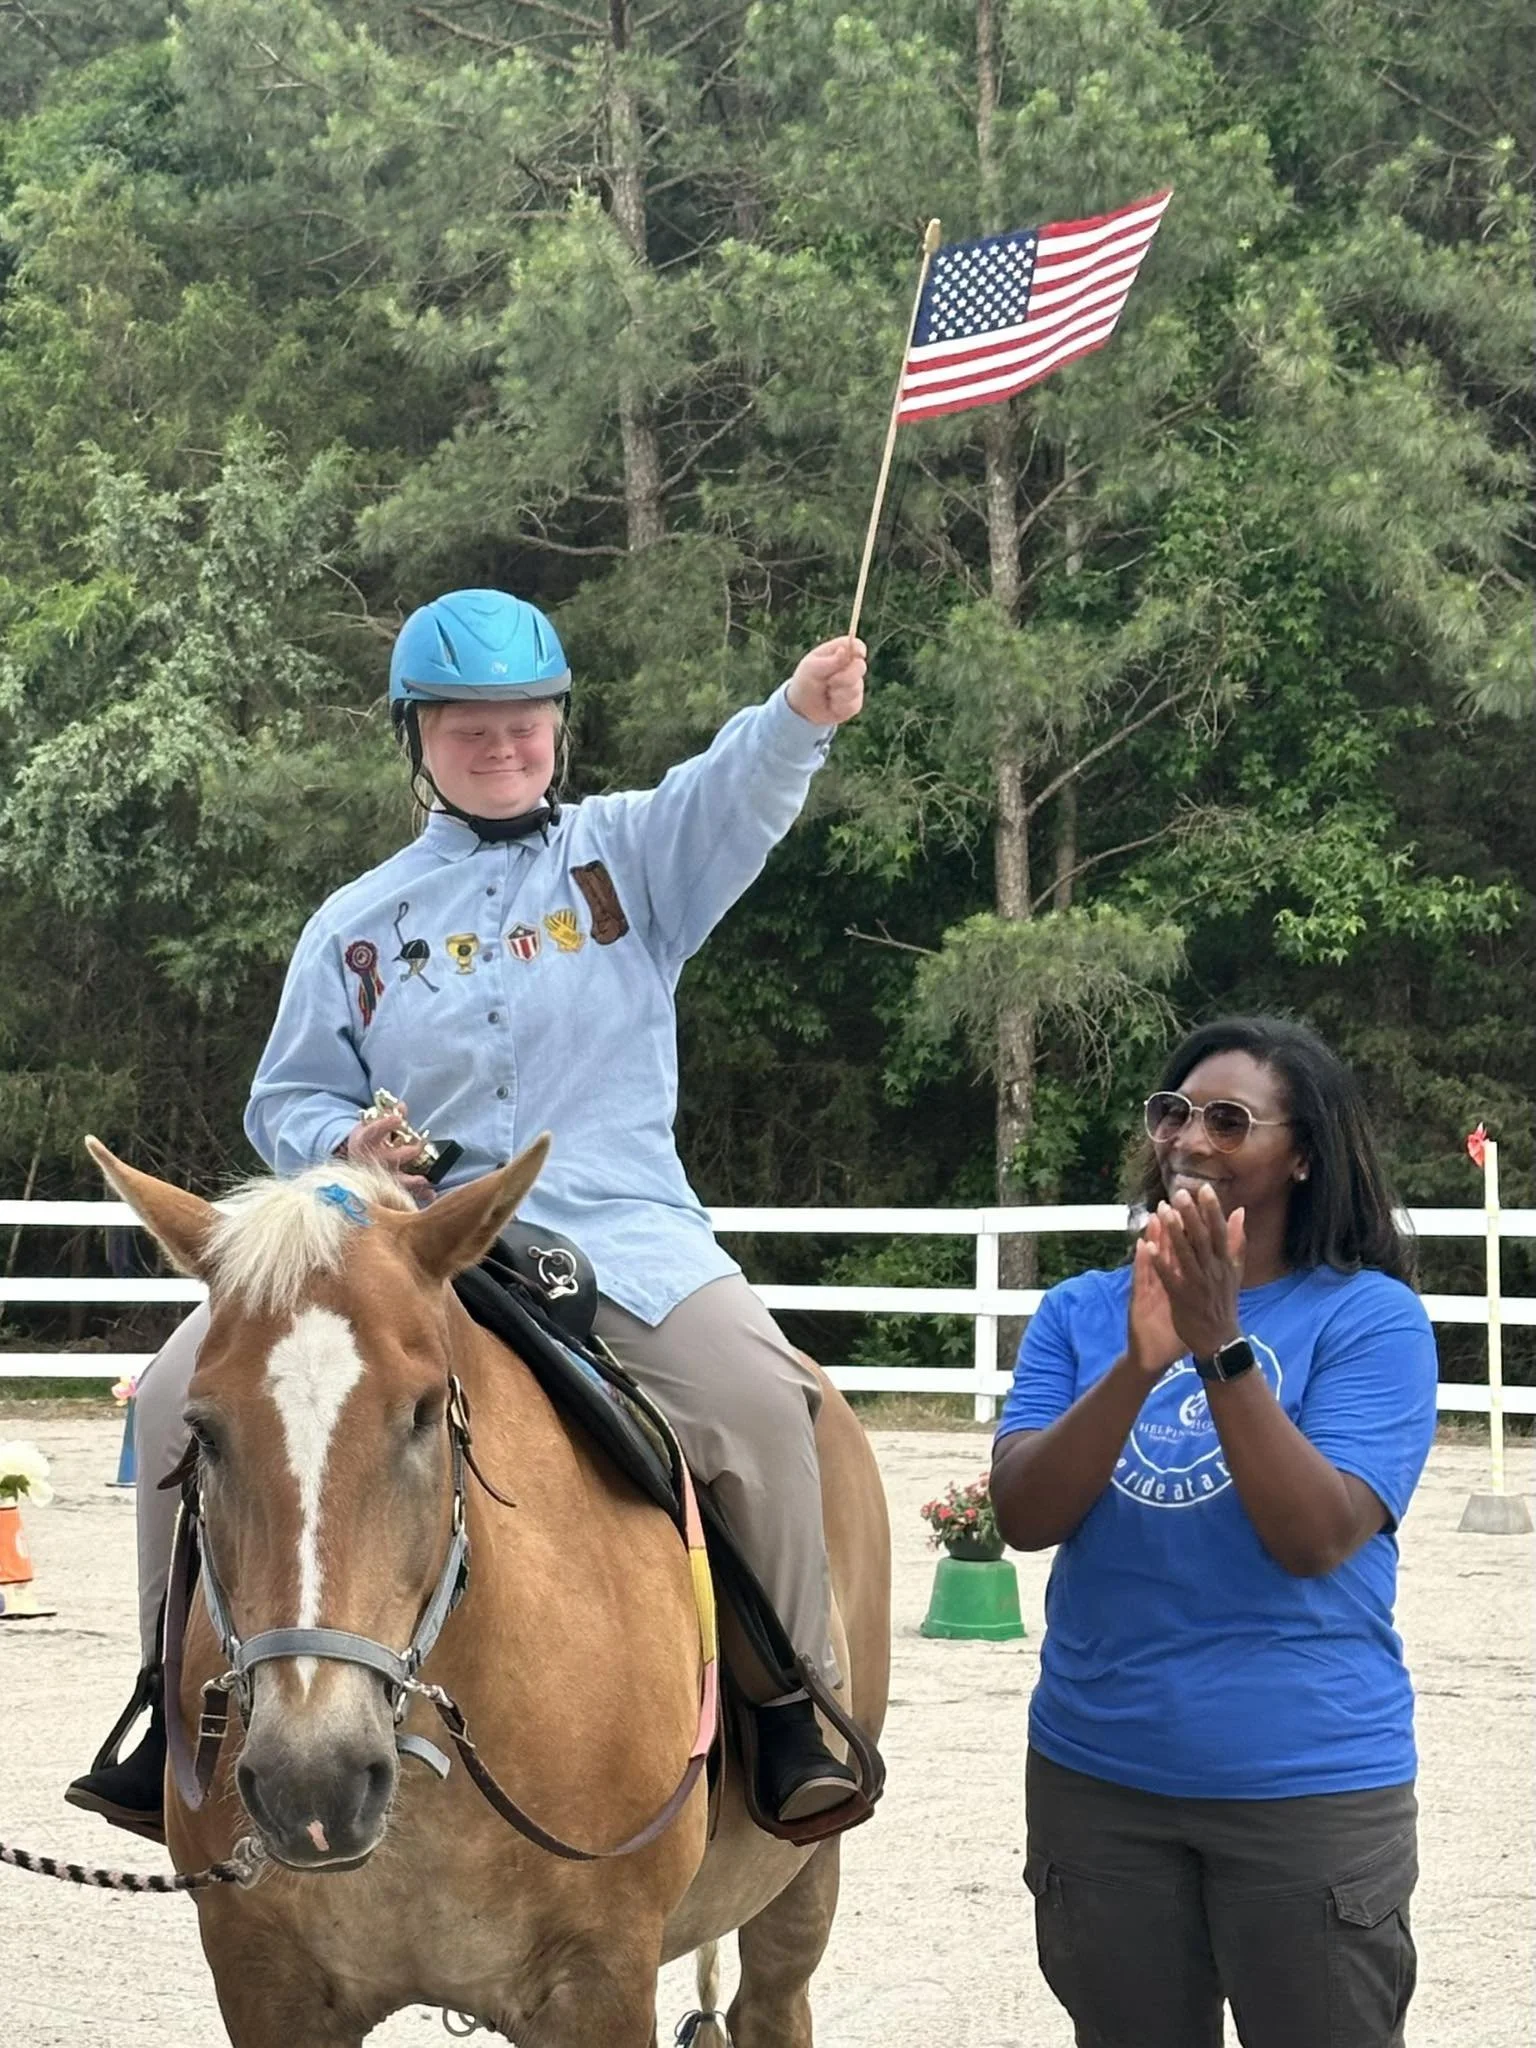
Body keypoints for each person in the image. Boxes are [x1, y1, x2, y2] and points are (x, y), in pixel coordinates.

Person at [68, 587, 870, 1840]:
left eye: (523, 720)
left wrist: (799, 715)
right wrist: (348, 1142)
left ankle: (792, 1706)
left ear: (558, 722)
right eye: (466, 726)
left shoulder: (635, 856)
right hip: (405, 1242)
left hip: (620, 1227)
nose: (500, 745)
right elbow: (287, 1094)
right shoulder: (355, 922)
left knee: (764, 1400)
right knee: (181, 1394)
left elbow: (734, 792)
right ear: (418, 740)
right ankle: (177, 1710)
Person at [991, 1016, 1438, 2048]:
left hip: (1306, 1789)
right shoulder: (1079, 1310)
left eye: (1230, 1120)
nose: (1190, 1139)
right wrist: (1141, 1360)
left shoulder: (1370, 1319)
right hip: (1098, 1779)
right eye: (1174, 1112)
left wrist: (1218, 1345)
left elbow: (1316, 1534)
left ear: (1303, 1152)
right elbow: (1024, 1512)